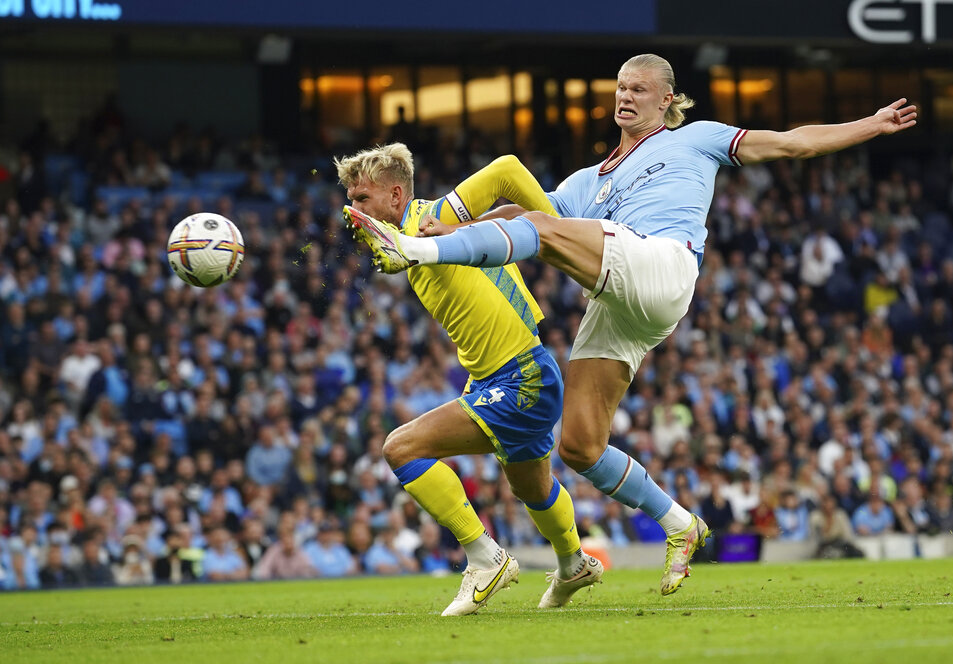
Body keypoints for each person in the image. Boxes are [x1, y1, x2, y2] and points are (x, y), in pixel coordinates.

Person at [347, 53, 916, 595]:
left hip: (663, 262)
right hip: (621, 298)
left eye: (638, 89)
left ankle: (411, 256)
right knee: (578, 445)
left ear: (666, 100)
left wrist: (870, 124)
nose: (625, 96)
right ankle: (680, 523)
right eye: (620, 88)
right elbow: (520, 217)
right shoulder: (586, 181)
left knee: (541, 230)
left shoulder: (694, 138)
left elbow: (793, 143)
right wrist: (445, 231)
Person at [338, 143, 602, 616]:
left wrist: (566, 237)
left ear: (396, 196)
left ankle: (486, 558)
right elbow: (496, 218)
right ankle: (573, 564)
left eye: (362, 199)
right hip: (505, 377)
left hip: (522, 379)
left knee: (401, 448)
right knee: (531, 490)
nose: (352, 211)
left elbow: (506, 171)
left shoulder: (430, 219)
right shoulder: (416, 239)